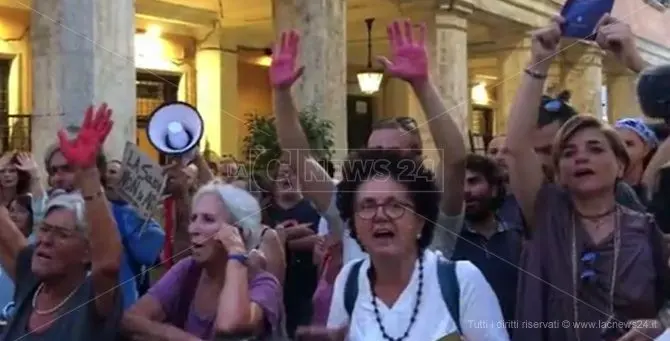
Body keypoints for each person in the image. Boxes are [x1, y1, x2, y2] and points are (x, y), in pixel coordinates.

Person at [506, 16, 670, 341]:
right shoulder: (546, 211)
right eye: (567, 153)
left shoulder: (645, 229)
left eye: (595, 149)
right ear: (560, 173)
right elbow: (516, 146)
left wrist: (659, 324)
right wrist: (539, 63)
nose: (580, 156)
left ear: (621, 166)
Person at [270, 19, 467, 263]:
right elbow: (299, 157)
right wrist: (281, 94)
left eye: (392, 151)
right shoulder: (346, 205)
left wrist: (422, 85)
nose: (380, 159)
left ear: (416, 156)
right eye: (375, 150)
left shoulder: (433, 205)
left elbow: (456, 160)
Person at [297, 149, 508, 340]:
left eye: (395, 205)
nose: (380, 216)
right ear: (353, 223)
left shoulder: (461, 281)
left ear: (420, 220)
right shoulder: (349, 280)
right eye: (367, 206)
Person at [0, 104, 123, 341]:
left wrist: (87, 172)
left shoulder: (92, 299)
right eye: (44, 229)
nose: (45, 240)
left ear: (88, 252)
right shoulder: (31, 277)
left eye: (61, 234)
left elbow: (108, 265)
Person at [121, 181, 283, 341]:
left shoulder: (264, 284)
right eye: (193, 219)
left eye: (208, 219)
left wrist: (236, 253)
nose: (193, 229)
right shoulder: (188, 269)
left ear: (239, 231)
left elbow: (229, 326)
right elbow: (131, 319)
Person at [451, 154, 523, 330]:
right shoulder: (448, 244)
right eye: (460, 183)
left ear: (494, 188)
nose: (466, 190)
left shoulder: (518, 238)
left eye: (474, 181)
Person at [614, 118, 658, 204]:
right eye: (616, 143)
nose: (621, 149)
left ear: (646, 149)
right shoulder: (603, 190)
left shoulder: (655, 190)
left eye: (629, 144)